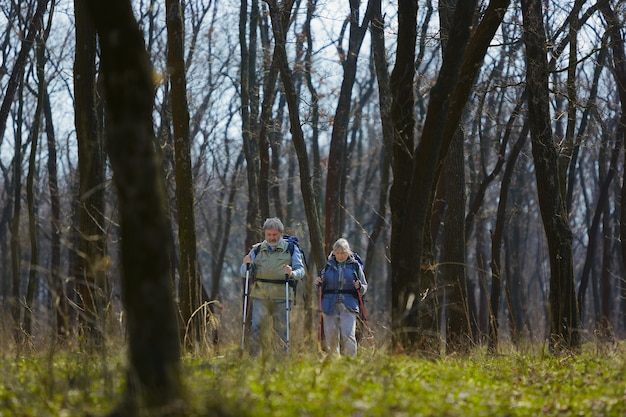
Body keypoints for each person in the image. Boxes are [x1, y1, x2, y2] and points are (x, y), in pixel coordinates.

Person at [241, 217, 305, 354]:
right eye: (268, 235)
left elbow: (301, 271)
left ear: (281, 233)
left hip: (282, 295)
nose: (271, 238)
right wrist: (246, 264)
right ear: (265, 234)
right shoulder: (257, 249)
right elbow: (244, 273)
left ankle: (280, 360)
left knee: (281, 329)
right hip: (260, 295)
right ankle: (254, 360)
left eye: (274, 235)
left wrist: (292, 273)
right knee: (256, 327)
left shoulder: (291, 249)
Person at [314, 238, 368, 357]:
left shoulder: (355, 266)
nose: (340, 255)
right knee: (331, 337)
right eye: (337, 253)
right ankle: (335, 364)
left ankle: (350, 363)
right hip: (329, 305)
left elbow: (364, 287)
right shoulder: (327, 266)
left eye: (342, 252)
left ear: (348, 252)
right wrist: (318, 283)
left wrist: (359, 286)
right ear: (333, 253)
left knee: (348, 335)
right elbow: (318, 288)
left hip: (348, 305)